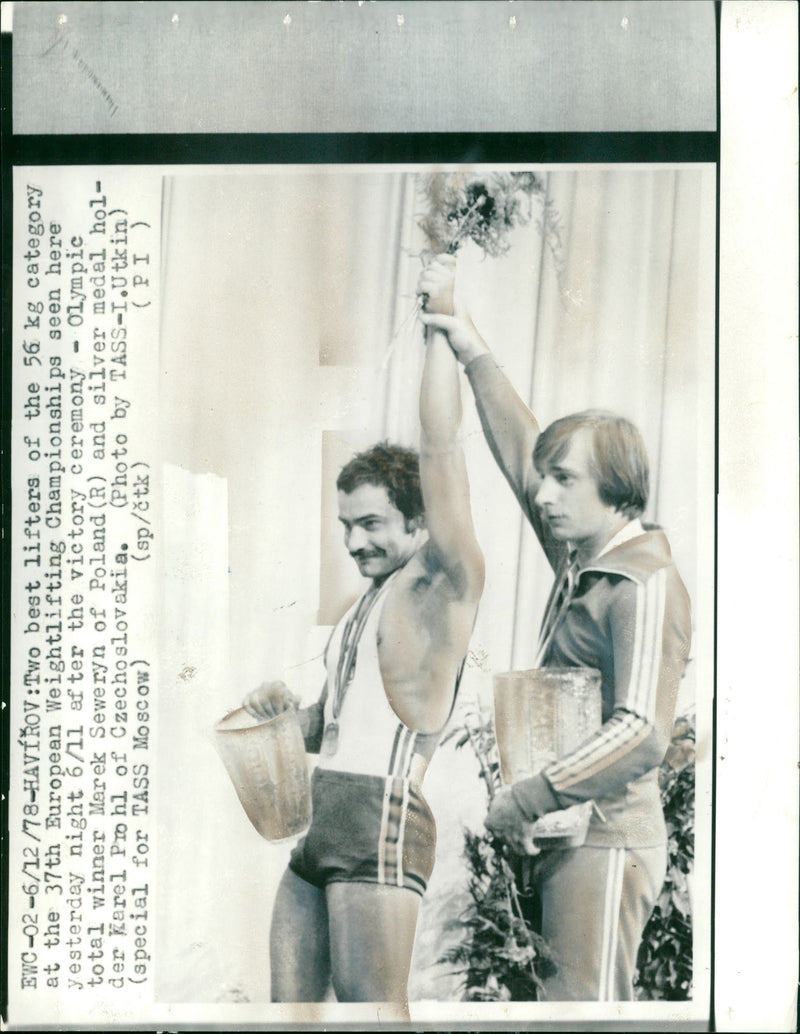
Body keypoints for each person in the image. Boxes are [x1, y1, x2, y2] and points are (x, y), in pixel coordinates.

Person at [418, 255, 692, 1002]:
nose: (544, 496)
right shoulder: (590, 556)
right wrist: (471, 351)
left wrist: (531, 795)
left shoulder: (643, 582)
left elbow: (641, 730)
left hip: (605, 841)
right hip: (572, 835)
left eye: (565, 481)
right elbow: (520, 455)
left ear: (618, 492)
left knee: (586, 1021)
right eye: (550, 479)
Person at [242, 277, 485, 1016]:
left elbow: (441, 448)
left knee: (373, 1017)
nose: (354, 541)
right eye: (346, 525)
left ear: (419, 522)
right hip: (322, 825)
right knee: (292, 1015)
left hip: (382, 817)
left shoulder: (441, 584)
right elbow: (335, 725)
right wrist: (287, 719)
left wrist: (442, 332)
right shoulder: (364, 605)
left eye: (372, 524)